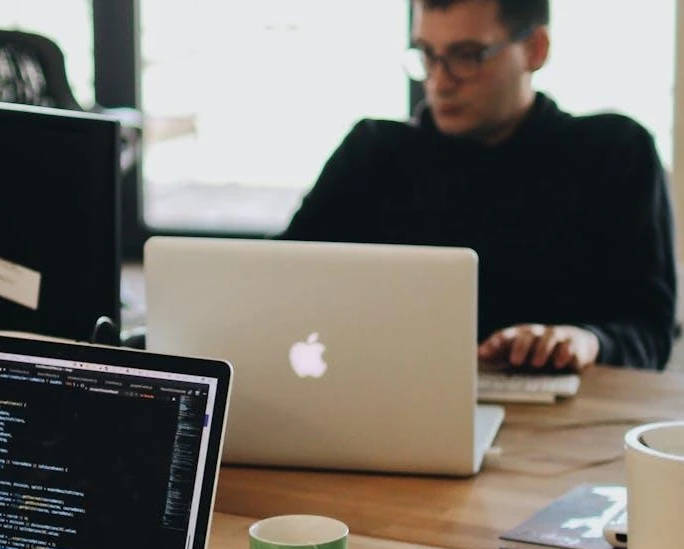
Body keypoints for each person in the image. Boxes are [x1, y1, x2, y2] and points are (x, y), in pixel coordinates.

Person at [279, 0, 677, 372]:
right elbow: (278, 283)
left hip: (565, 425)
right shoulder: (372, 153)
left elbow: (650, 332)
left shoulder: (614, 153)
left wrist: (589, 342)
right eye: (428, 55)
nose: (440, 80)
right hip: (392, 406)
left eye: (467, 56)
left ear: (535, 49)